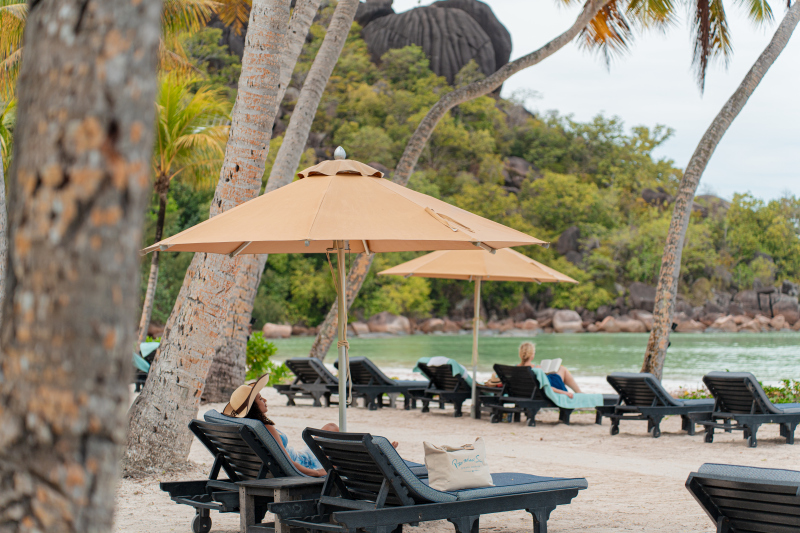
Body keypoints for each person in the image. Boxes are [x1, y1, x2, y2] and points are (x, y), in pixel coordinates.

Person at [223, 374, 398, 477]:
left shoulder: (247, 427)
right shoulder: (265, 428)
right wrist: (318, 473)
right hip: (304, 464)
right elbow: (288, 462)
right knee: (340, 453)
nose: (265, 400)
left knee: (331, 428)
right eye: (260, 398)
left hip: (297, 459)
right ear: (253, 407)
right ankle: (377, 453)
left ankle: (374, 450)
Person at [517, 342, 583, 398]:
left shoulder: (515, 368)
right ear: (532, 355)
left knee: (560, 369)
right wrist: (565, 393)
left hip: (523, 392)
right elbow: (547, 387)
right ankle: (579, 392)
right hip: (543, 391)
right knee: (562, 369)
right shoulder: (537, 369)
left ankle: (579, 392)